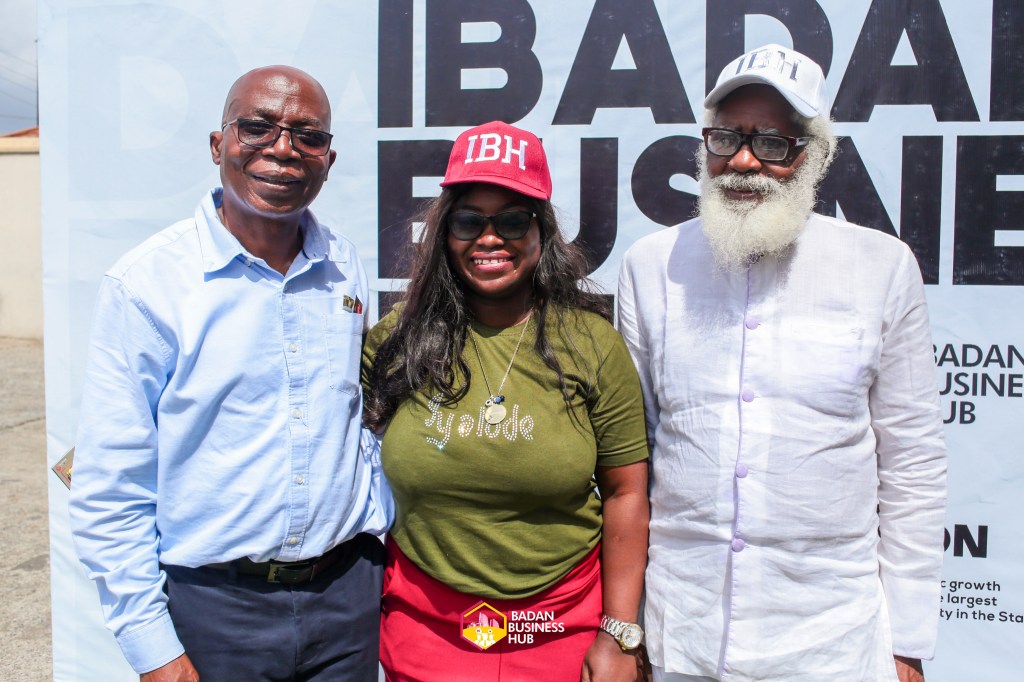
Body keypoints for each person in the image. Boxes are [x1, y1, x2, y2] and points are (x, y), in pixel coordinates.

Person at [616, 44, 947, 682]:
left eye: (772, 142)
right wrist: (627, 629)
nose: (744, 161)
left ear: (813, 153)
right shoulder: (651, 266)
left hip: (831, 641)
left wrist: (906, 643)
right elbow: (635, 457)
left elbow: (912, 464)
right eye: (726, 138)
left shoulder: (881, 266)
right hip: (683, 634)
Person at [68, 65, 392, 681]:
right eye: (258, 127)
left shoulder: (343, 266)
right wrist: (154, 649)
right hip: (215, 610)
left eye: (307, 136)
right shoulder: (147, 285)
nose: (283, 148)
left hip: (346, 599)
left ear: (328, 161)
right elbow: (111, 483)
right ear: (219, 145)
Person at [362, 120, 650, 681]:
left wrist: (619, 632)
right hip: (427, 629)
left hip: (559, 629)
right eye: (469, 221)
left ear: (542, 232)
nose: (489, 238)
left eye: (513, 220)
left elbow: (626, 493)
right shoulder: (397, 340)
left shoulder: (591, 343)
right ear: (445, 232)